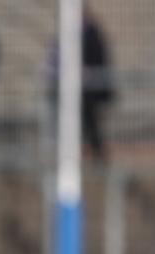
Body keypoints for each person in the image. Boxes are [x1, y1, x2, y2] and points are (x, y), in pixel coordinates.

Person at [45, 4, 116, 162]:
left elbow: (97, 58)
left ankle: (97, 154)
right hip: (80, 90)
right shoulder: (72, 32)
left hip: (90, 90)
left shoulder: (91, 32)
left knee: (90, 123)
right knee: (81, 123)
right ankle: (87, 153)